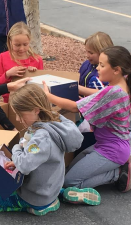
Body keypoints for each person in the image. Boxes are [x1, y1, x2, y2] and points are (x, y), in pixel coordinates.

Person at [0, 84, 101, 216]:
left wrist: (17, 148)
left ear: (36, 110)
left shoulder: (41, 138)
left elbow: (24, 165)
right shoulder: (55, 120)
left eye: (20, 114)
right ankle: (58, 194)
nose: (17, 119)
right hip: (50, 187)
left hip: (34, 196)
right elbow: (37, 157)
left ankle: (40, 207)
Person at [44, 46, 131, 192]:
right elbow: (98, 96)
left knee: (69, 183)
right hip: (106, 144)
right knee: (70, 168)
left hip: (112, 150)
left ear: (116, 70)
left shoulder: (114, 92)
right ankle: (117, 166)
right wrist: (74, 88)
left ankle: (117, 173)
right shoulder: (120, 86)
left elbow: (74, 107)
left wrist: (47, 95)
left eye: (102, 65)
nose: (97, 68)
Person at [0, 22, 43, 103]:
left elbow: (42, 87)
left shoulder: (37, 60)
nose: (21, 48)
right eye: (17, 45)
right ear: (10, 42)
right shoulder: (3, 57)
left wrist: (34, 74)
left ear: (29, 41)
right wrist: (7, 74)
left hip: (31, 103)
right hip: (10, 102)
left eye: (25, 44)